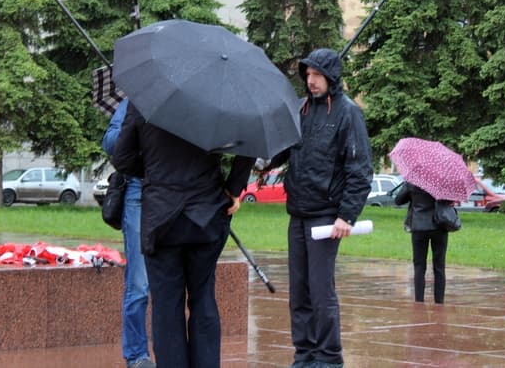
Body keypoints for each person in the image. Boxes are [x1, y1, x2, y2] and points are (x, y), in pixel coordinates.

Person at [112, 100, 254, 368]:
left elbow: (122, 158)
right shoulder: (216, 97)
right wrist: (234, 186)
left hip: (162, 218)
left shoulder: (145, 98)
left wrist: (155, 170)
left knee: (166, 306)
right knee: (203, 298)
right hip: (206, 214)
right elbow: (249, 143)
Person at [265, 48, 373, 368]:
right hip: (297, 212)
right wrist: (261, 158)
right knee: (299, 292)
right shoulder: (300, 110)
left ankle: (328, 358)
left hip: (327, 216)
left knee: (320, 292)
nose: (311, 82)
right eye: (307, 75)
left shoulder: (348, 113)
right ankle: (305, 354)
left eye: (317, 76)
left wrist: (346, 215)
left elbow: (360, 170)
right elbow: (283, 150)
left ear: (331, 77)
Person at [103, 98, 155, 368]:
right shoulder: (135, 100)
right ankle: (136, 355)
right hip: (137, 191)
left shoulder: (182, 102)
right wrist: (134, 128)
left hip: (173, 193)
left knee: (168, 283)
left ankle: (170, 350)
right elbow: (110, 141)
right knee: (139, 282)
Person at [394, 182, 449, 304]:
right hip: (439, 226)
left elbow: (398, 200)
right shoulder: (443, 181)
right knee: (439, 266)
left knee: (419, 266)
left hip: (419, 227)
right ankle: (439, 301)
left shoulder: (413, 181)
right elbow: (450, 201)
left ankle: (419, 299)